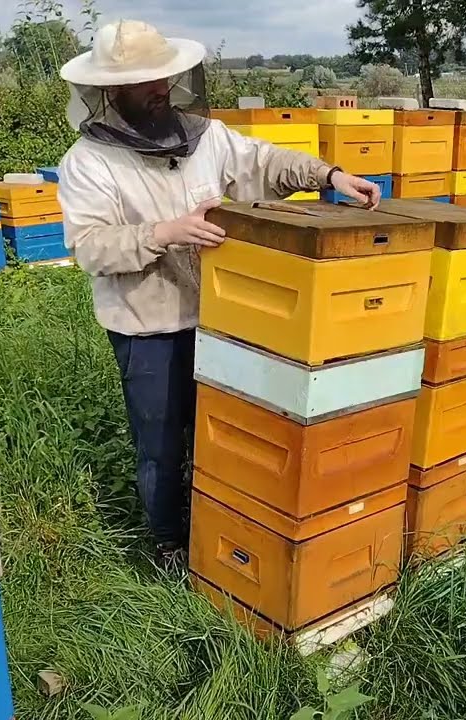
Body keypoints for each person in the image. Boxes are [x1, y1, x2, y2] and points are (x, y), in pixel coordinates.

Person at [56, 20, 382, 571]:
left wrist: (329, 175)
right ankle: (167, 542)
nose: (160, 89)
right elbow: (90, 247)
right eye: (144, 82)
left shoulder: (206, 138)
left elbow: (265, 162)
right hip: (149, 326)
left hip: (222, 318)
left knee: (225, 431)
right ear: (111, 90)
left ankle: (222, 528)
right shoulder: (89, 162)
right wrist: (164, 232)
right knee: (161, 443)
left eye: (164, 77)